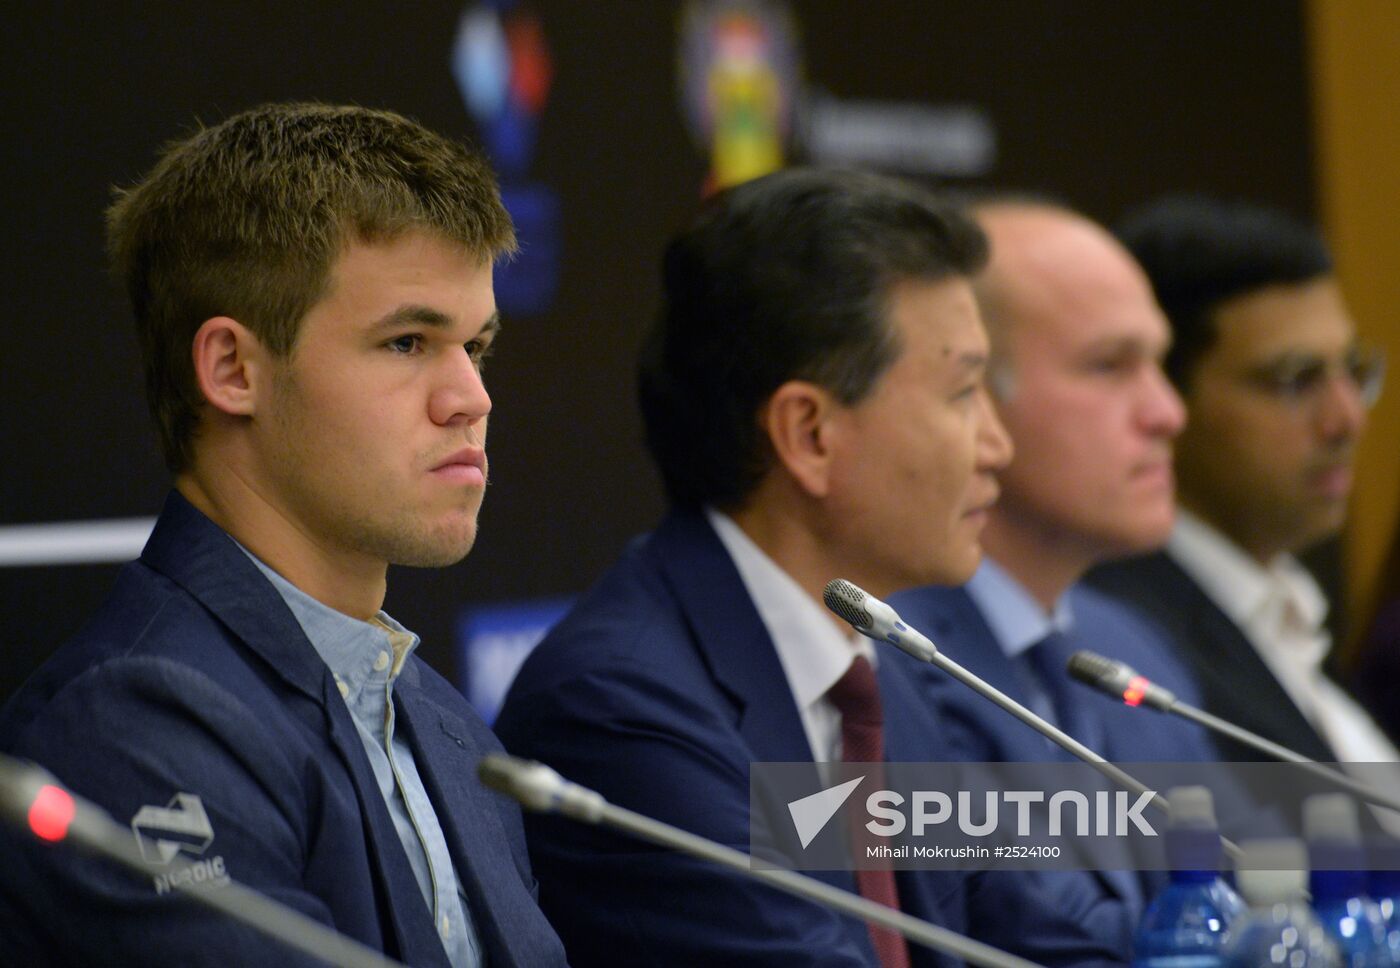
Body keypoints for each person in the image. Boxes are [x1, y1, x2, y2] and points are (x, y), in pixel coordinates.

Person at [495, 168, 1134, 967]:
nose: (997, 446)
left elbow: (1036, 939)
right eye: (965, 392)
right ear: (810, 435)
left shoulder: (882, 674)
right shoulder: (624, 712)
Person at [0, 102, 566, 967]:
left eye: (475, 347)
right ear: (233, 369)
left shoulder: (447, 728)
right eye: (407, 342)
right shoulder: (130, 727)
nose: (471, 399)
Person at [886, 200, 1224, 916]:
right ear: (974, 391)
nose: (1168, 412)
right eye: (1110, 366)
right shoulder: (890, 659)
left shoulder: (1136, 652)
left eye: (1159, 363)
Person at [1088, 195, 1395, 765]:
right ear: (1166, 400)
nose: (1347, 419)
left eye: (1354, 370)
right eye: (1295, 379)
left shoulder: (1289, 610)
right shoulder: (1128, 642)